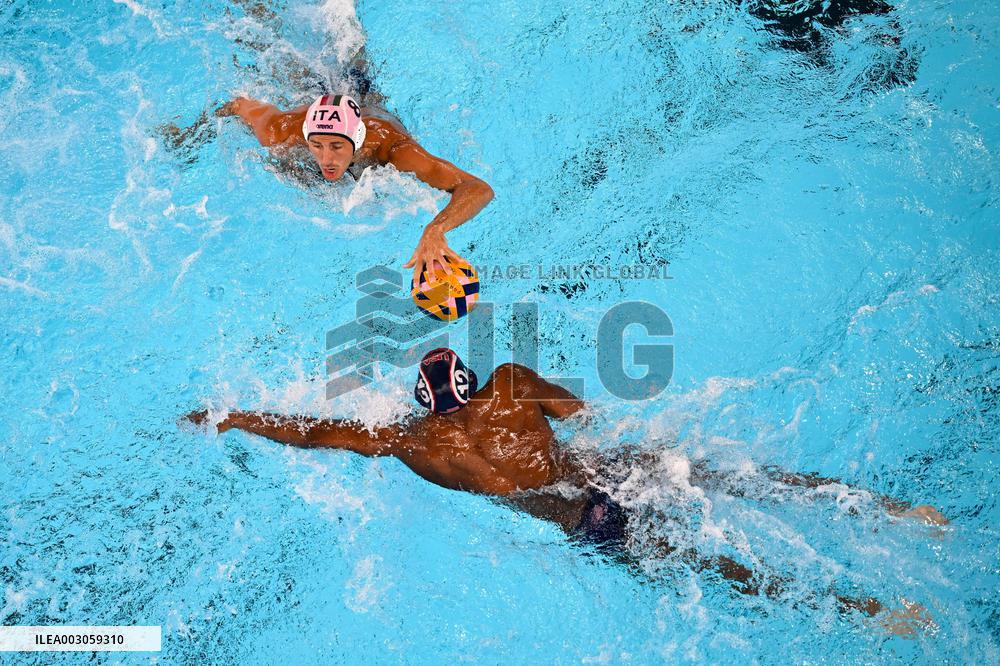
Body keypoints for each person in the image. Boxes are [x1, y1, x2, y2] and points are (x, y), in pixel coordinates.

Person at [182, 349, 944, 634]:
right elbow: (580, 415)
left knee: (714, 571)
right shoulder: (512, 382)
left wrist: (232, 415)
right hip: (616, 470)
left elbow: (314, 431)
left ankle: (872, 616)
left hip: (589, 520)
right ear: (473, 385)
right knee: (744, 481)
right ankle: (895, 512)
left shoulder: (410, 444)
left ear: (423, 403)